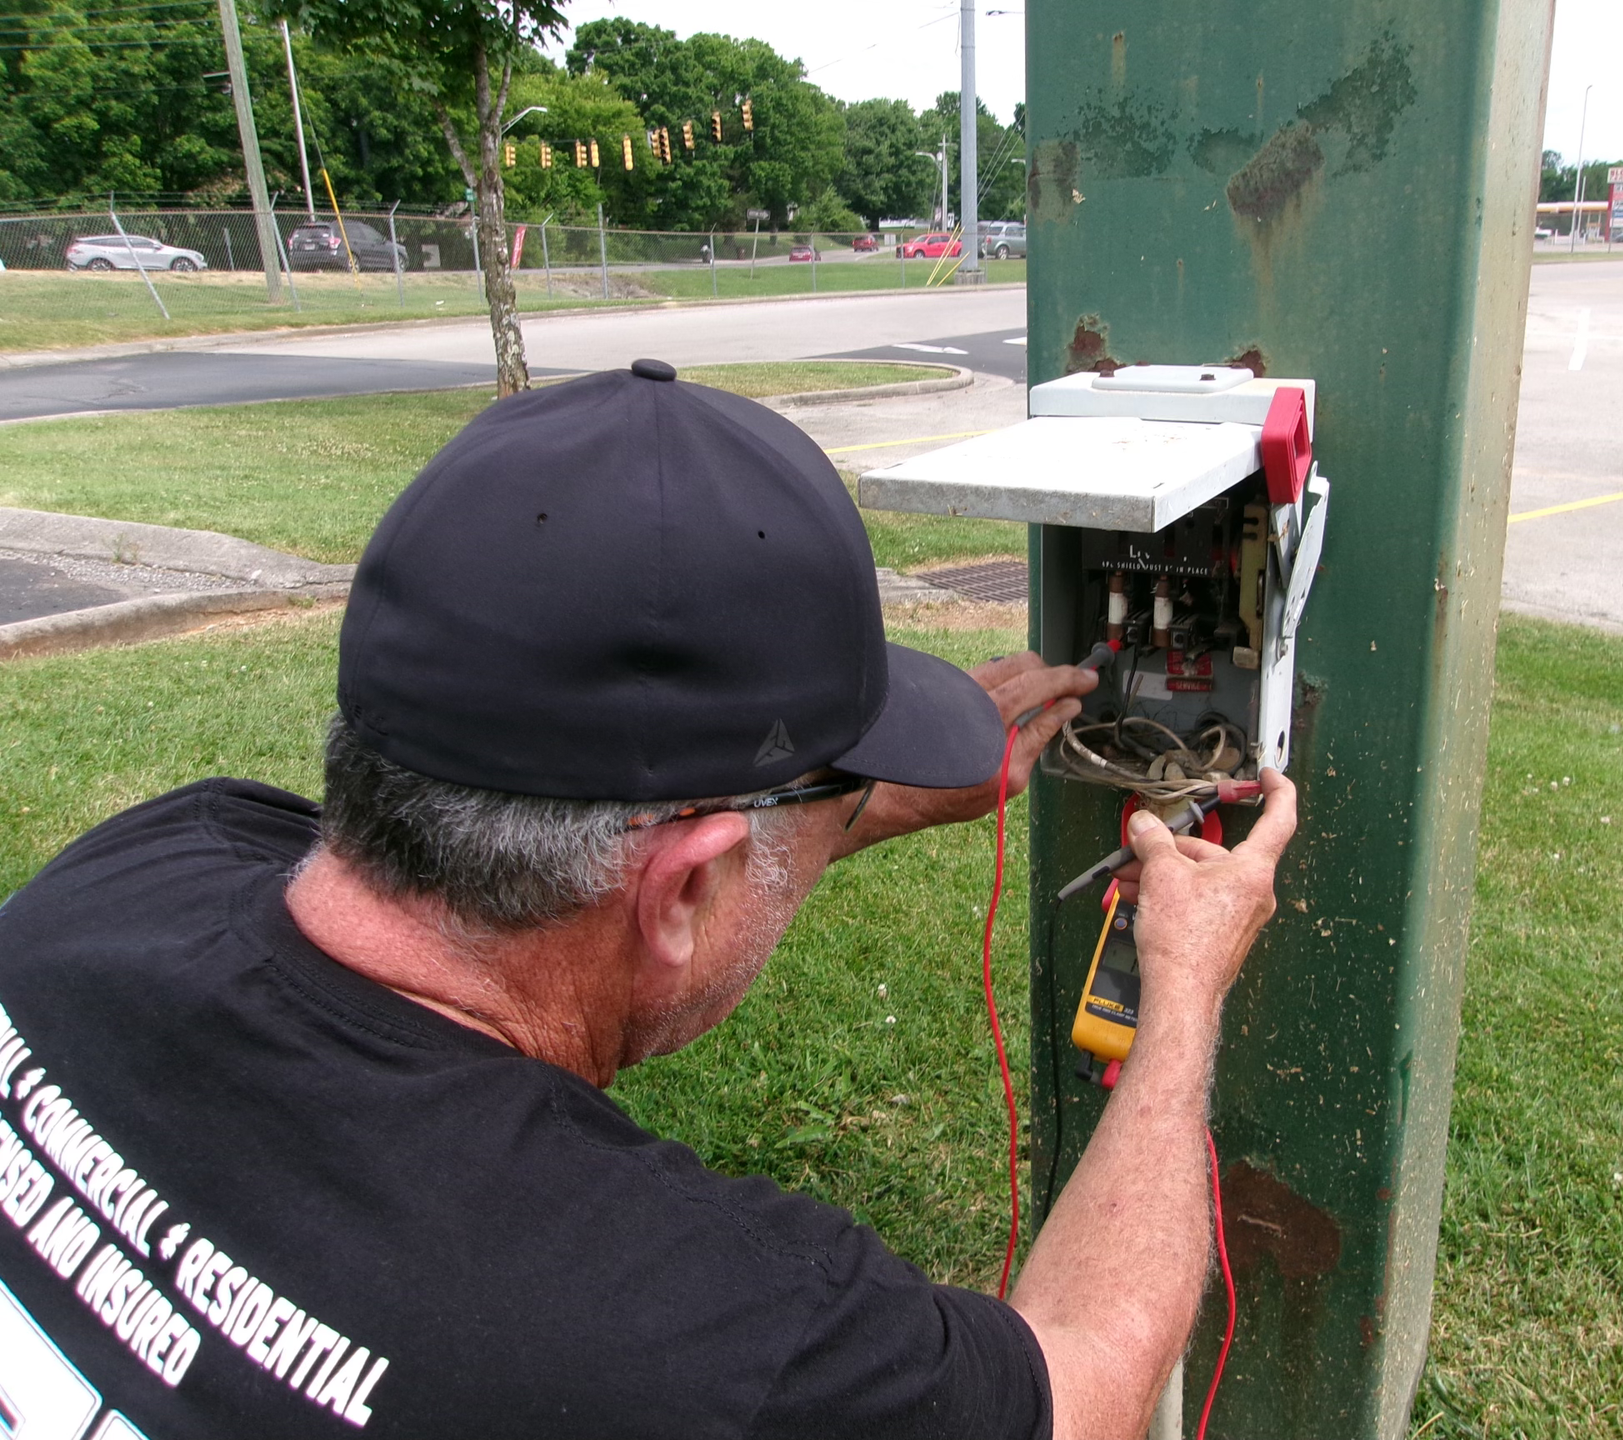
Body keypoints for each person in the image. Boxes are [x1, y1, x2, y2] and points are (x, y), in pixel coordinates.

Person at [0, 360, 1295, 1440]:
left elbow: (551, 881)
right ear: (683, 887)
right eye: (805, 815)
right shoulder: (689, 1343)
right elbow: (1089, 1381)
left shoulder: (150, 865)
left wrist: (842, 806)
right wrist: (1178, 986)